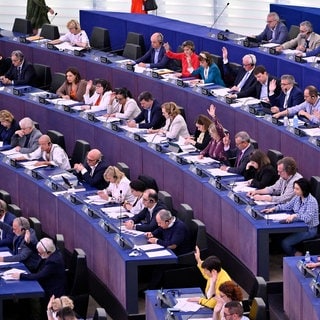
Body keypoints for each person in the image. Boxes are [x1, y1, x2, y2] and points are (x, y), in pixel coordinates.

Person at [262, 178, 319, 256]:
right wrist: (274, 209)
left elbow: (307, 218)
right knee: (277, 236)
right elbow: (287, 206)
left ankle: (298, 256)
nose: (294, 191)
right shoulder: (297, 197)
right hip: (298, 226)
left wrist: (295, 215)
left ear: (304, 190)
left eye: (297, 189)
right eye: (294, 188)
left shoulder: (311, 201)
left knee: (286, 243)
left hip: (309, 229)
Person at [13, 237, 66, 304]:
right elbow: (38, 250)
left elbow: (39, 276)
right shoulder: (53, 250)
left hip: (52, 292)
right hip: (46, 284)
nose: (39, 254)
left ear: (48, 252)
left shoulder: (54, 262)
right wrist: (28, 242)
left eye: (40, 253)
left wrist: (21, 275)